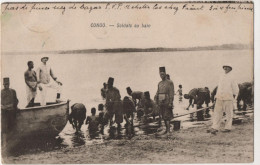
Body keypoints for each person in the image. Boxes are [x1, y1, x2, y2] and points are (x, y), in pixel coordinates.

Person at [209, 64, 239, 134]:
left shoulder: (232, 77)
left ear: (230, 69)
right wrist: (216, 97)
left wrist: (233, 98)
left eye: (227, 67)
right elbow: (218, 87)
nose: (225, 68)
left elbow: (236, 89)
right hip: (219, 97)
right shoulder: (221, 76)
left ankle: (228, 128)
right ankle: (215, 127)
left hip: (228, 98)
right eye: (224, 67)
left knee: (229, 113)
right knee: (217, 113)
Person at [155, 67, 174, 135]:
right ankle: (166, 130)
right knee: (163, 116)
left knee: (167, 116)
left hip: (167, 101)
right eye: (160, 74)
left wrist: (170, 102)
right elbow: (158, 92)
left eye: (163, 74)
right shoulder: (159, 83)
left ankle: (168, 131)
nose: (161, 75)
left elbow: (171, 93)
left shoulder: (170, 82)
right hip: (161, 101)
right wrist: (156, 99)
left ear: (165, 74)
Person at [1, 78, 19, 149]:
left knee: (12, 125)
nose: (6, 85)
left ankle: (13, 143)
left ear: (9, 84)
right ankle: (4, 143)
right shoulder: (1, 92)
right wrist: (2, 107)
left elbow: (16, 101)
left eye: (7, 84)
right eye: (5, 84)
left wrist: (15, 107)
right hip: (4, 112)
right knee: (4, 127)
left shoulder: (13, 91)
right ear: (3, 85)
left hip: (11, 111)